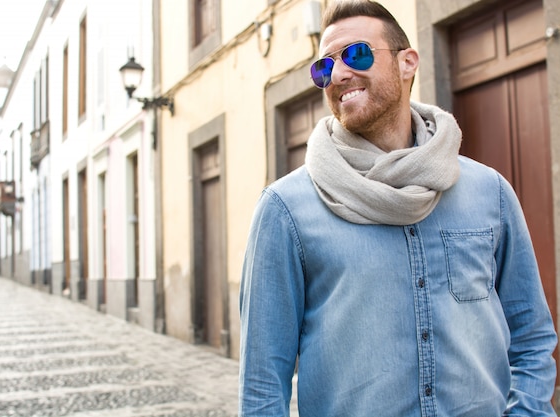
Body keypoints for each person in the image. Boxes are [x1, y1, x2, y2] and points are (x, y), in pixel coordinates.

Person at [238, 1, 558, 416]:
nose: (337, 74)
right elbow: (263, 384)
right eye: (324, 68)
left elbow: (531, 335)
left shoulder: (488, 192)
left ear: (408, 63)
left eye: (357, 54)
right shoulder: (286, 211)